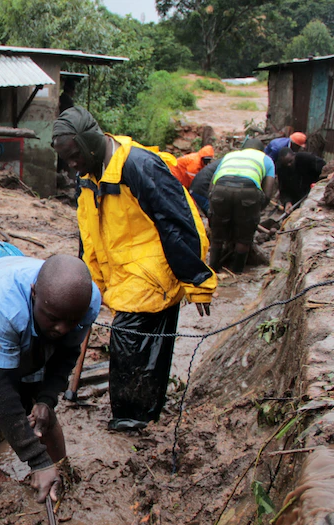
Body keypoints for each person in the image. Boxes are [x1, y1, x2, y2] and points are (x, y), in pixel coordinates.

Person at [51, 107, 216, 432]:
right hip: (122, 274)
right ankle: (143, 412)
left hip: (153, 273)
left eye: (74, 156)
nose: (72, 165)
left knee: (130, 342)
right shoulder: (88, 176)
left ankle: (132, 420)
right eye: (66, 160)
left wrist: (197, 281)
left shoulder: (138, 166)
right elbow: (88, 231)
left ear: (90, 143)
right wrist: (89, 280)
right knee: (144, 351)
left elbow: (180, 223)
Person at [0, 253, 101, 503]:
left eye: (71, 322)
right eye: (53, 318)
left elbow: (67, 353)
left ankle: (59, 478)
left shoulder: (85, 302)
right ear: (33, 293)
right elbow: (0, 392)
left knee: (41, 415)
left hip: (29, 320)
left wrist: (46, 399)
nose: (62, 328)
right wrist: (38, 461)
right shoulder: (4, 309)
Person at [208, 139, 276, 273]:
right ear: (261, 150)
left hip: (220, 189)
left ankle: (213, 269)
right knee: (244, 238)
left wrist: (213, 204)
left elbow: (212, 184)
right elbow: (268, 193)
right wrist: (257, 210)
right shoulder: (266, 159)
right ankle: (237, 272)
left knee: (217, 235)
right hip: (248, 190)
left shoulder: (230, 155)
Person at [275, 148, 325, 213]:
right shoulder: (281, 169)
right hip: (297, 197)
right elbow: (283, 189)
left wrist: (318, 183)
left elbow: (325, 170)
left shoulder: (307, 158)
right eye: (286, 164)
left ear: (294, 156)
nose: (289, 165)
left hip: (315, 190)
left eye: (290, 161)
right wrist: (287, 201)